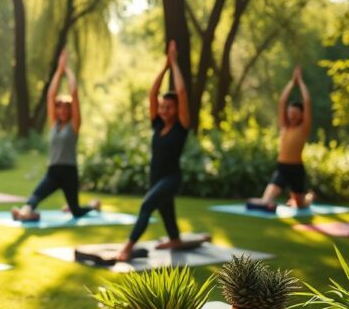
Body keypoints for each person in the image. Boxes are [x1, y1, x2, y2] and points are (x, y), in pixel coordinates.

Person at [117, 40, 206, 261]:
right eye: (162, 106)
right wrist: (164, 66)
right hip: (154, 177)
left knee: (147, 205)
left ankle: (127, 247)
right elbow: (152, 93)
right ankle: (176, 239)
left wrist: (174, 64)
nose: (164, 110)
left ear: (176, 109)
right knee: (167, 212)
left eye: (169, 107)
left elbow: (182, 92)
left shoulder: (181, 127)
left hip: (171, 178)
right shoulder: (157, 125)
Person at [11, 51, 99, 222]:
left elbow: (74, 93)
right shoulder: (54, 125)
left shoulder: (74, 125)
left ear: (71, 110)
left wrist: (68, 71)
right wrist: (58, 71)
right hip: (53, 171)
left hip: (69, 172)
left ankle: (94, 205)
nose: (62, 110)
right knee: (36, 195)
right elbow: (50, 95)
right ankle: (26, 213)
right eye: (60, 107)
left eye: (66, 107)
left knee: (76, 211)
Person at [249, 66, 314, 211]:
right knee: (266, 199)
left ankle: (309, 197)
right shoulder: (284, 127)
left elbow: (307, 102)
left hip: (297, 169)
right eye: (290, 113)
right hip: (282, 167)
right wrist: (292, 82)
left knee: (300, 205)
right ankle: (268, 200)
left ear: (301, 115)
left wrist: (301, 83)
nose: (291, 116)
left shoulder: (303, 129)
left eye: (295, 113)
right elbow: (282, 102)